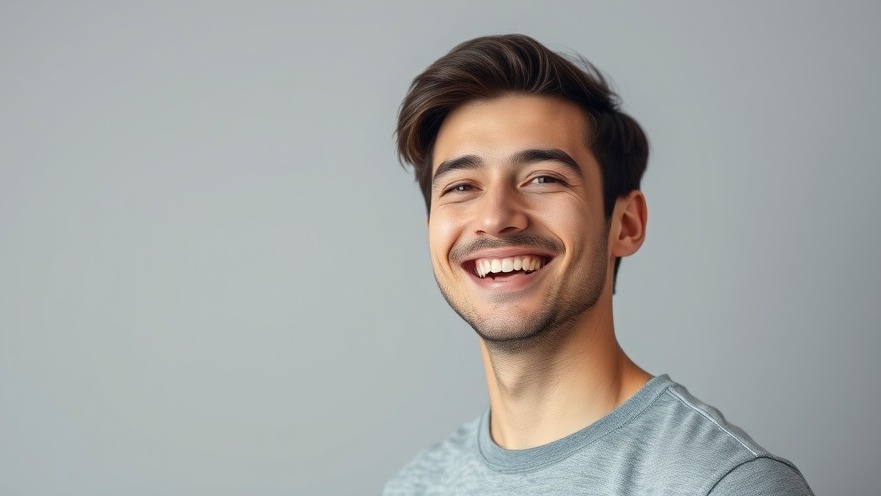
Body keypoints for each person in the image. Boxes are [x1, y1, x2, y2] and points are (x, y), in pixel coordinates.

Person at [384, 34, 813, 495]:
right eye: (462, 187)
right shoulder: (413, 488)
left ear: (626, 224)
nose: (494, 218)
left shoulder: (722, 484)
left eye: (543, 178)